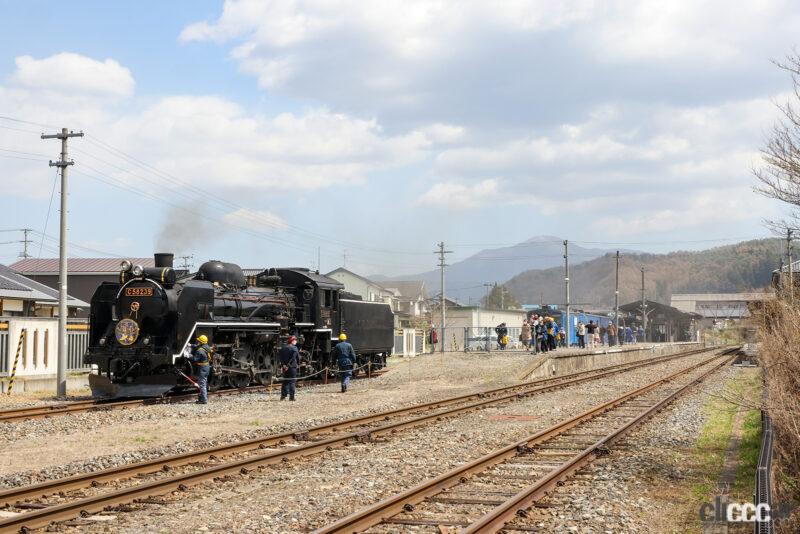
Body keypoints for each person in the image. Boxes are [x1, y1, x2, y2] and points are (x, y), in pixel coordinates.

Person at [189, 334, 212, 404]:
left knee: (202, 384)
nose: (198, 342)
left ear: (201, 342)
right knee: (203, 383)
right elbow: (197, 346)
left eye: (199, 341)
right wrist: (190, 345)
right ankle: (202, 397)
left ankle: (204, 400)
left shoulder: (200, 351)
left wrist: (189, 356)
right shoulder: (206, 347)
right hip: (207, 367)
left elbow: (195, 359)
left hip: (203, 368)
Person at [279, 335, 300, 401]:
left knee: (285, 381)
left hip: (285, 367)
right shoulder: (294, 348)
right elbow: (295, 358)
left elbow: (281, 358)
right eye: (295, 340)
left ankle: (283, 396)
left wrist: (284, 365)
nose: (296, 341)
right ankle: (291, 397)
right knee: (292, 382)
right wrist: (289, 365)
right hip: (292, 367)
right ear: (292, 341)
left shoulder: (283, 348)